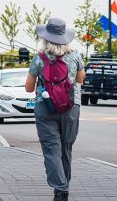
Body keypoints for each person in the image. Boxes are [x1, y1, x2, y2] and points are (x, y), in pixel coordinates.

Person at [25, 17, 85, 201]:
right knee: (66, 148)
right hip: (70, 107)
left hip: (45, 107)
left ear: (46, 37)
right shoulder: (75, 55)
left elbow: (28, 87)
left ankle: (60, 189)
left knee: (52, 150)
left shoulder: (39, 57)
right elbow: (80, 80)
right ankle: (63, 187)